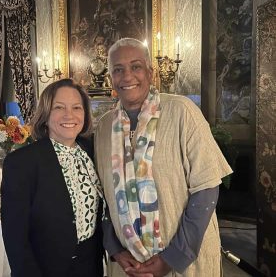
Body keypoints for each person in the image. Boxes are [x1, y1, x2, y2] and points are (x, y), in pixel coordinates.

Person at [94, 38, 233, 277]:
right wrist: (116, 249)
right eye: (118, 69)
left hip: (183, 262)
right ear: (111, 78)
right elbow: (104, 197)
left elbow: (207, 187)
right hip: (129, 264)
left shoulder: (182, 111)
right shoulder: (105, 126)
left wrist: (173, 257)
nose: (127, 76)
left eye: (136, 66)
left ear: (150, 72)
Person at [1, 78, 104, 277]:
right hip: (45, 269)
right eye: (59, 107)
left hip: (91, 265)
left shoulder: (92, 149)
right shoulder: (21, 163)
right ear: (46, 114)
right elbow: (15, 240)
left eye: (77, 107)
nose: (69, 115)